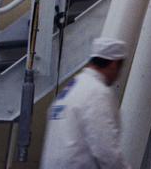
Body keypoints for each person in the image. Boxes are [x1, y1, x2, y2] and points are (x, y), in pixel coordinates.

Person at [40, 35, 131, 169]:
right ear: (113, 64)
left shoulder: (70, 89)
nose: (118, 75)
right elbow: (106, 150)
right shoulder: (97, 92)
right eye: (120, 68)